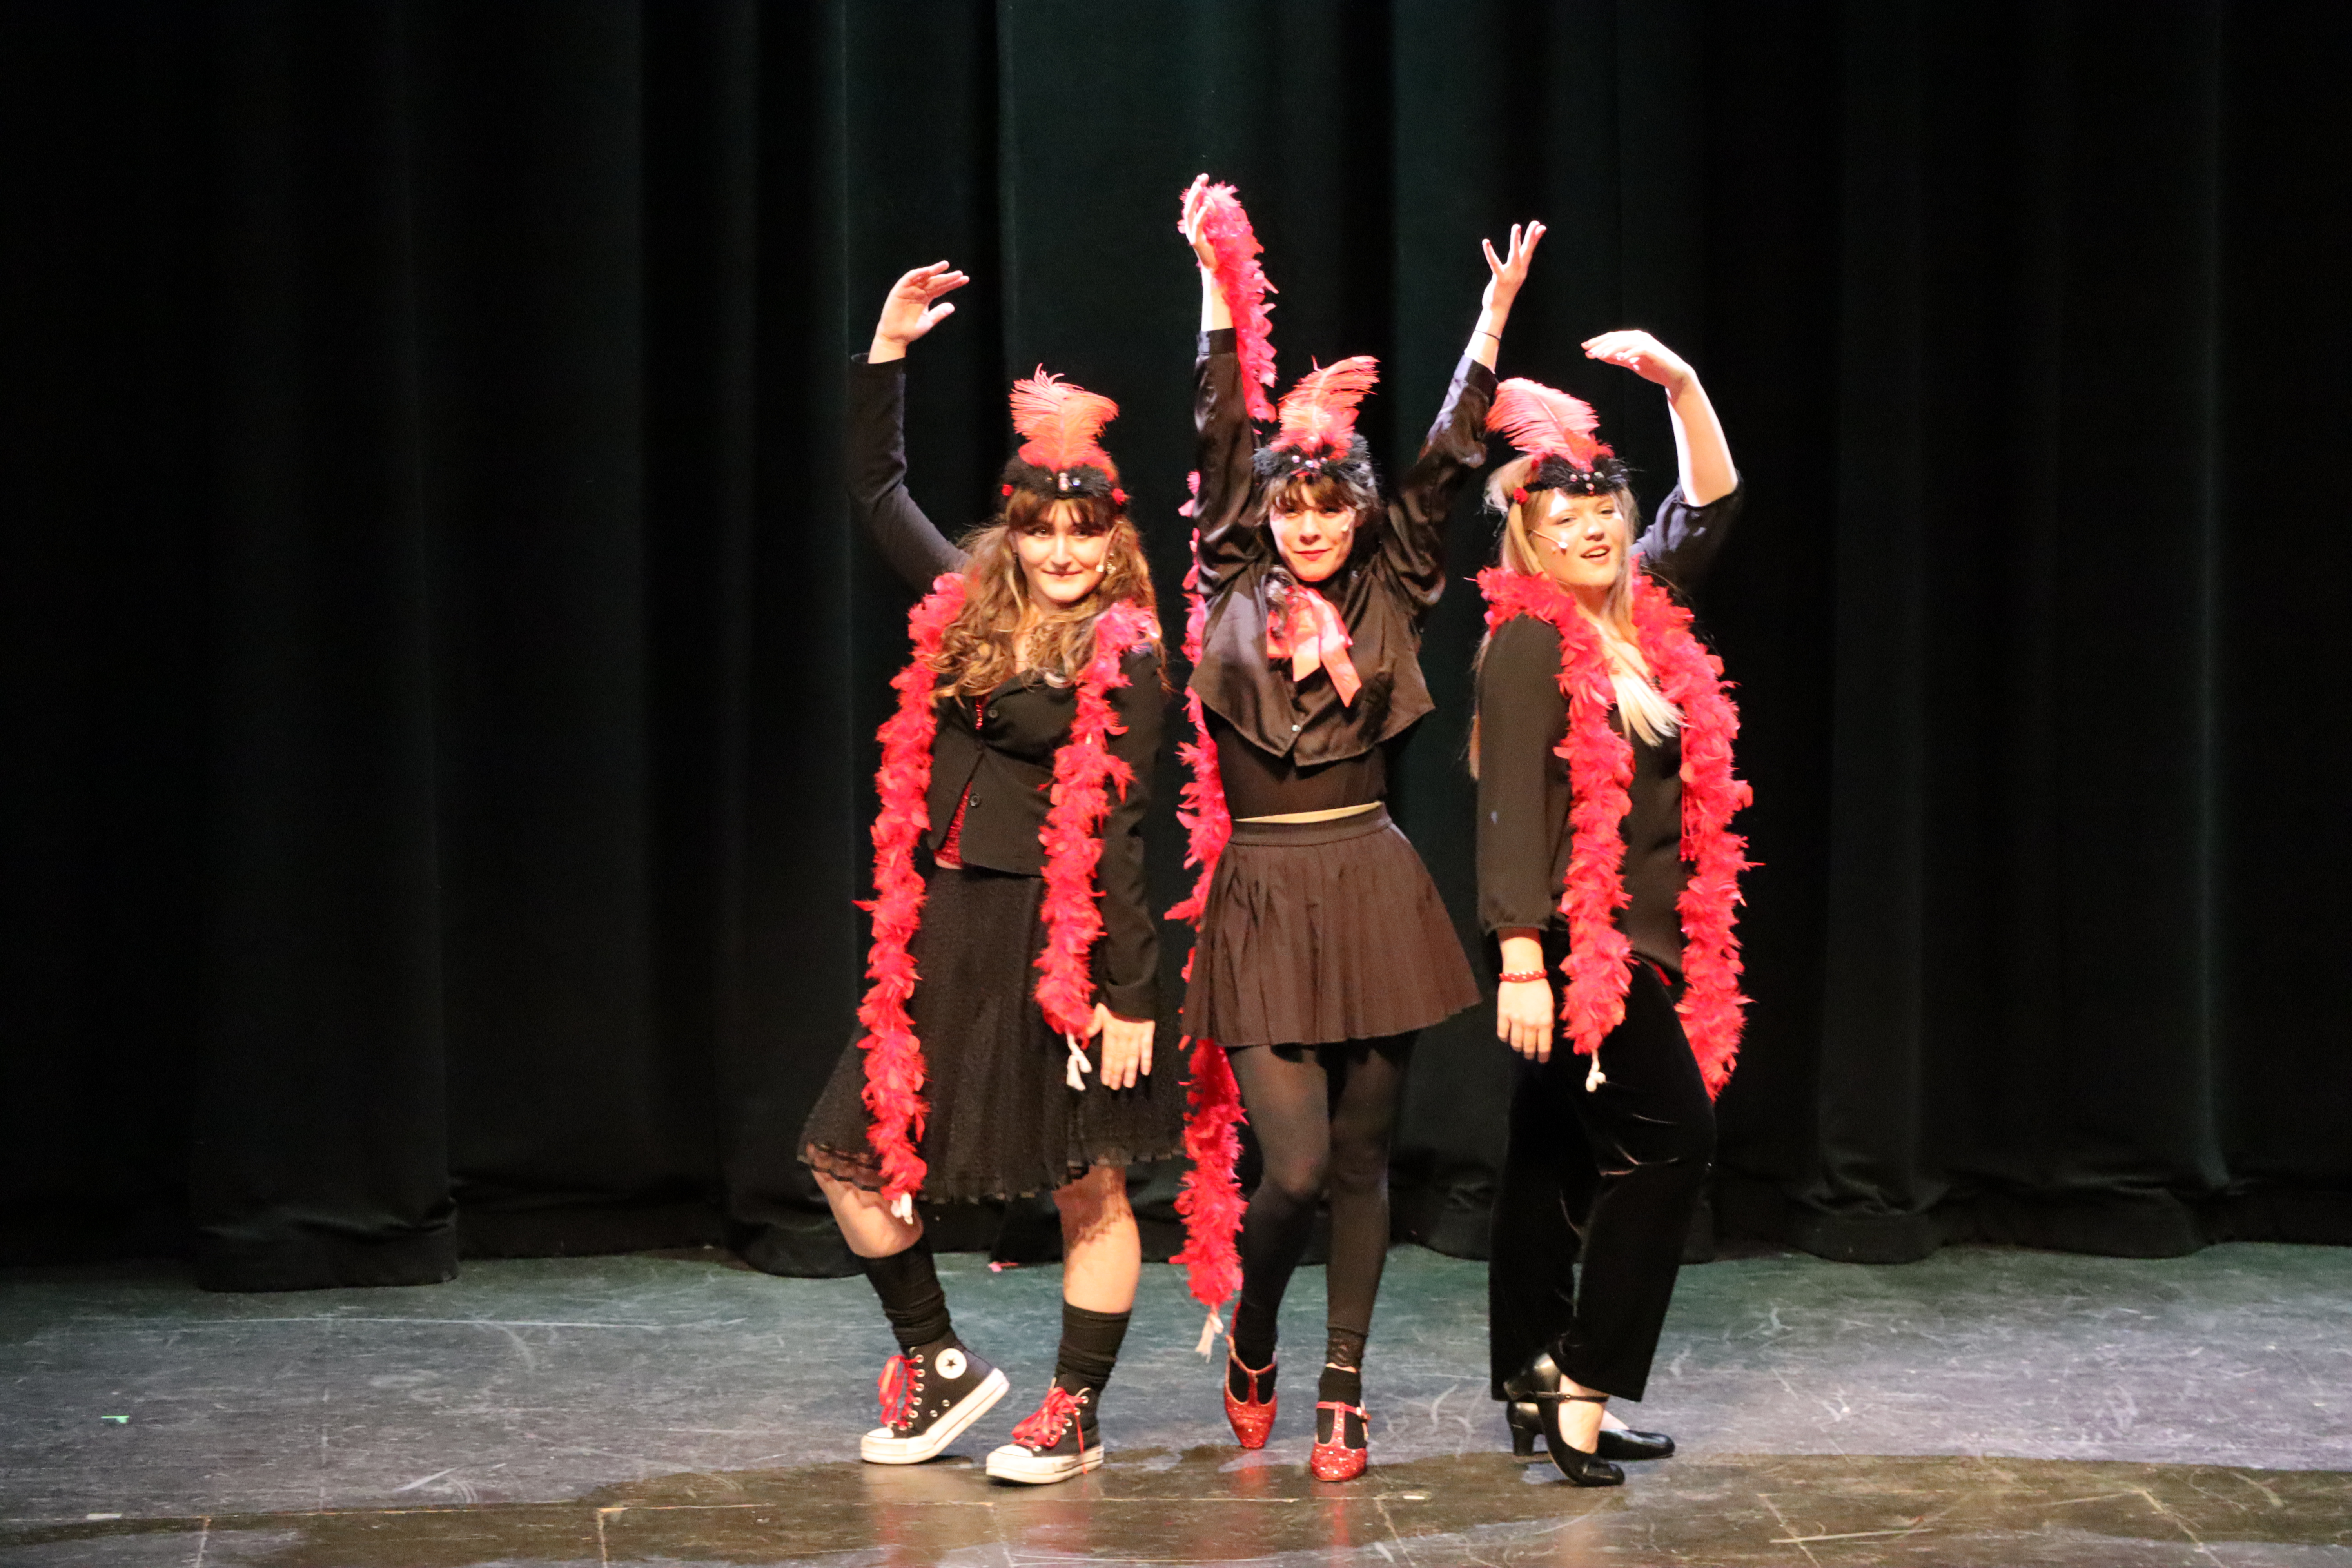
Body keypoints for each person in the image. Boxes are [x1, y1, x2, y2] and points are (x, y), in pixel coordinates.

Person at [1168, 176, 1543, 1481]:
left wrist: (1488, 329)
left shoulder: (1395, 582)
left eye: (1332, 504)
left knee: (1369, 1162)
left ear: (1357, 512)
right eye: (1294, 505)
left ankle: (1343, 1386)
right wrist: (1219, 287)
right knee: (1298, 1168)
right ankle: (1259, 1328)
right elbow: (1223, 429)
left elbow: (1445, 466)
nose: (1313, 523)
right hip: (1266, 890)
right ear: (1267, 513)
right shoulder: (1226, 572)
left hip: (1372, 878)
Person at [799, 261, 1180, 1486]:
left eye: (1086, 534)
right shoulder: (966, 605)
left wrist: (1127, 992)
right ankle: (940, 1363)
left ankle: (1075, 1407)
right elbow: (873, 488)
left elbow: (1122, 837)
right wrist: (887, 352)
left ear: (1113, 542)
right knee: (845, 1154)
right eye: (1042, 531)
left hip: (1055, 937)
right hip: (946, 924)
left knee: (1086, 1179)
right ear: (1013, 532)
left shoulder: (1128, 656)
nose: (1062, 553)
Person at [1471, 333, 1749, 1486]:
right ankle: (1585, 1378)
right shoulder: (1529, 639)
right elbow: (1511, 821)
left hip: (1643, 938)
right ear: (1527, 536)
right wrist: (1525, 959)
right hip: (1584, 949)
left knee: (1552, 1157)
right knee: (1674, 1143)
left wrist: (1683, 385)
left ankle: (1535, 1365)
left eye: (1605, 510)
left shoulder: (1648, 617)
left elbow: (1717, 500)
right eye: (1563, 518)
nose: (1590, 529)